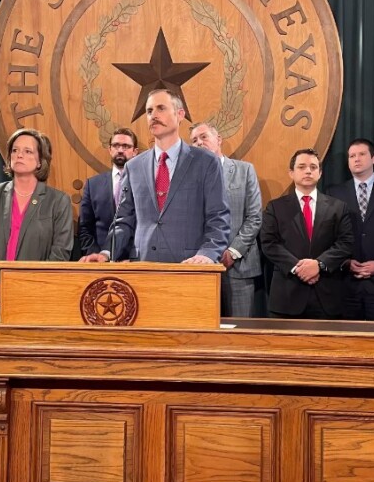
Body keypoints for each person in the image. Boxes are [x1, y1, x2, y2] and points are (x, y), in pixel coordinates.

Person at [81, 89, 230, 264]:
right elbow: (124, 220)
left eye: (161, 108)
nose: (154, 115)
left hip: (190, 267)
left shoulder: (206, 162)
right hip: (143, 268)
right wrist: (106, 253)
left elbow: (218, 217)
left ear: (180, 114)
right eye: (149, 111)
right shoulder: (134, 166)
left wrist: (208, 254)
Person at [0, 128, 73, 310]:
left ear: (40, 161)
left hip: (34, 300)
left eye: (27, 151)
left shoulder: (58, 201)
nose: (19, 155)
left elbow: (60, 254)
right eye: (15, 150)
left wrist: (25, 289)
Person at [261, 148, 353, 319]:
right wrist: (298, 268)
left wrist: (318, 265)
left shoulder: (338, 207)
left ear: (320, 173)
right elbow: (269, 243)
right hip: (287, 297)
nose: (308, 171)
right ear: (291, 173)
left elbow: (345, 243)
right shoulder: (275, 207)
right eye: (301, 167)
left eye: (313, 167)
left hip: (327, 296)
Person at [327, 138, 374, 321]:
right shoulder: (334, 193)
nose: (356, 159)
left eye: (362, 154)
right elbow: (330, 235)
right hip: (346, 283)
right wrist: (345, 261)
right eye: (352, 156)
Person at [190, 121, 263, 317]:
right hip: (201, 268)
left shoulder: (244, 170)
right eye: (194, 140)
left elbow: (254, 217)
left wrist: (233, 251)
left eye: (204, 137)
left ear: (218, 139)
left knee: (240, 333)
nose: (199, 143)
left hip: (239, 267)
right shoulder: (188, 178)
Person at [78, 128, 139, 259]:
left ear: (135, 152)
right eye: (116, 145)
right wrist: (97, 256)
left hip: (136, 262)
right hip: (99, 260)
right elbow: (85, 228)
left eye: (126, 146)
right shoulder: (92, 185)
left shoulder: (144, 184)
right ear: (110, 150)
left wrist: (134, 259)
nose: (120, 150)